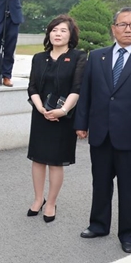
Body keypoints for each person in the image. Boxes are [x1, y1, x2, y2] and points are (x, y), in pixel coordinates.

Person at [75, 7, 131, 254]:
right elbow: (87, 94)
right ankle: (98, 224)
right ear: (113, 28)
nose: (128, 28)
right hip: (101, 132)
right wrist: (81, 124)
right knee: (101, 183)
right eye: (122, 24)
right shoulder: (97, 56)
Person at [26, 15, 87, 222]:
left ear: (71, 35)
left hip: (64, 116)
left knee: (55, 162)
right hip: (41, 115)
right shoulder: (39, 58)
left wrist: (62, 110)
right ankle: (37, 199)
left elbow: (77, 88)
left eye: (62, 30)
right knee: (37, 159)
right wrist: (41, 108)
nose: (57, 34)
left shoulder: (79, 57)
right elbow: (32, 87)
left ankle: (51, 202)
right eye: (54, 30)